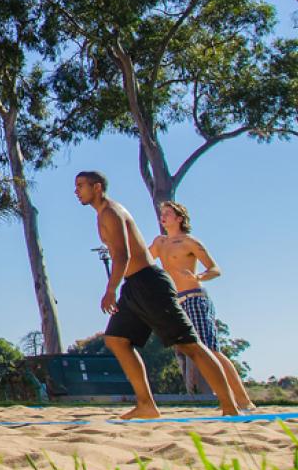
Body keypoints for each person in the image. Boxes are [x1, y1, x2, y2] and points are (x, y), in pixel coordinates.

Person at [74, 170, 239, 418]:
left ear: (96, 187)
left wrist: (110, 289)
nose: (76, 191)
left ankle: (230, 406)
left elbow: (123, 255)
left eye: (80, 186)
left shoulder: (111, 212)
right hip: (134, 285)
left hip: (150, 283)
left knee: (190, 345)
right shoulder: (101, 215)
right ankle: (146, 405)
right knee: (117, 339)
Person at [149, 200, 255, 410]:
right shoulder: (159, 242)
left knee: (211, 351)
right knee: (192, 351)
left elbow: (215, 269)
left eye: (168, 213)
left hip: (194, 297)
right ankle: (228, 399)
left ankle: (243, 399)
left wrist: (199, 276)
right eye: (162, 213)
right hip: (175, 301)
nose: (163, 217)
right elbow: (143, 259)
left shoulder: (189, 242)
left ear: (179, 219)